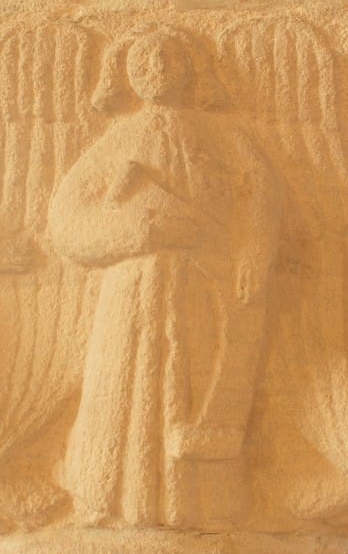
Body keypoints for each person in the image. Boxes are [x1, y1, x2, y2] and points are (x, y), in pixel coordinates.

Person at [48, 27, 281, 528]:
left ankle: (202, 506)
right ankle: (106, 494)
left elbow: (260, 191)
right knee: (121, 387)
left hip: (203, 283)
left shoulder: (222, 135)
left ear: (192, 68)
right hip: (133, 289)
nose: (156, 67)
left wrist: (254, 252)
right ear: (126, 74)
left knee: (201, 392)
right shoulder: (118, 140)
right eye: (143, 60)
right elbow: (67, 220)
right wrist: (134, 230)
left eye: (168, 58)